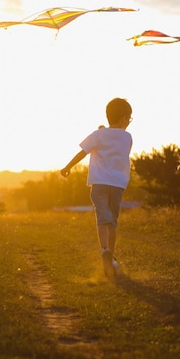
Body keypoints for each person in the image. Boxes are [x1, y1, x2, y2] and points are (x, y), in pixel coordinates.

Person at [61, 97, 133, 280]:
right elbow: (115, 140)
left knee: (102, 218)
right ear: (125, 118)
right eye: (130, 119)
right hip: (118, 184)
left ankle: (105, 250)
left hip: (99, 183)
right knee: (113, 222)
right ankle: (112, 257)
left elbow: (83, 152)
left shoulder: (97, 135)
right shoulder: (128, 137)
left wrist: (68, 167)